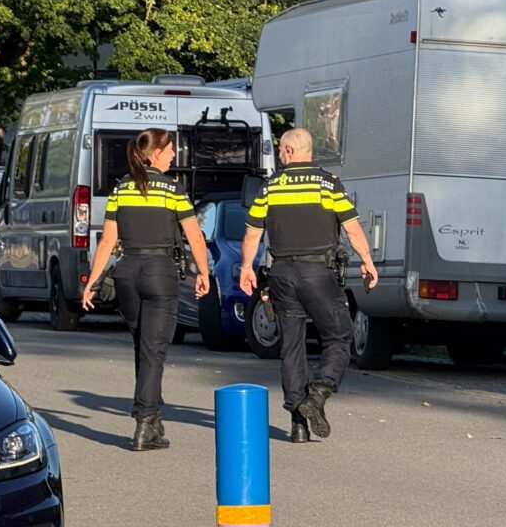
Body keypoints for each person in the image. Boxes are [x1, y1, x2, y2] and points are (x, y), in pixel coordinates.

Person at [239, 128, 377, 444]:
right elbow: (352, 228)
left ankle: (298, 424)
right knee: (339, 336)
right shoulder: (328, 184)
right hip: (319, 273)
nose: (280, 155)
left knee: (292, 346)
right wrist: (367, 260)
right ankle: (318, 393)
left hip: (282, 274)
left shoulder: (270, 186)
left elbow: (252, 233)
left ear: (288, 150)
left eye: (280, 150)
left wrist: (246, 267)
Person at [80, 127, 210, 451]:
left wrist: (93, 282)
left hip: (126, 274)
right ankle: (145, 421)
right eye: (170, 150)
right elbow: (194, 235)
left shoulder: (121, 188)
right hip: (159, 273)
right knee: (153, 350)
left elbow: (107, 242)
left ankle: (152, 420)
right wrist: (204, 273)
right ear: (157, 153)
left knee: (144, 347)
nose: (174, 155)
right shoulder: (173, 189)